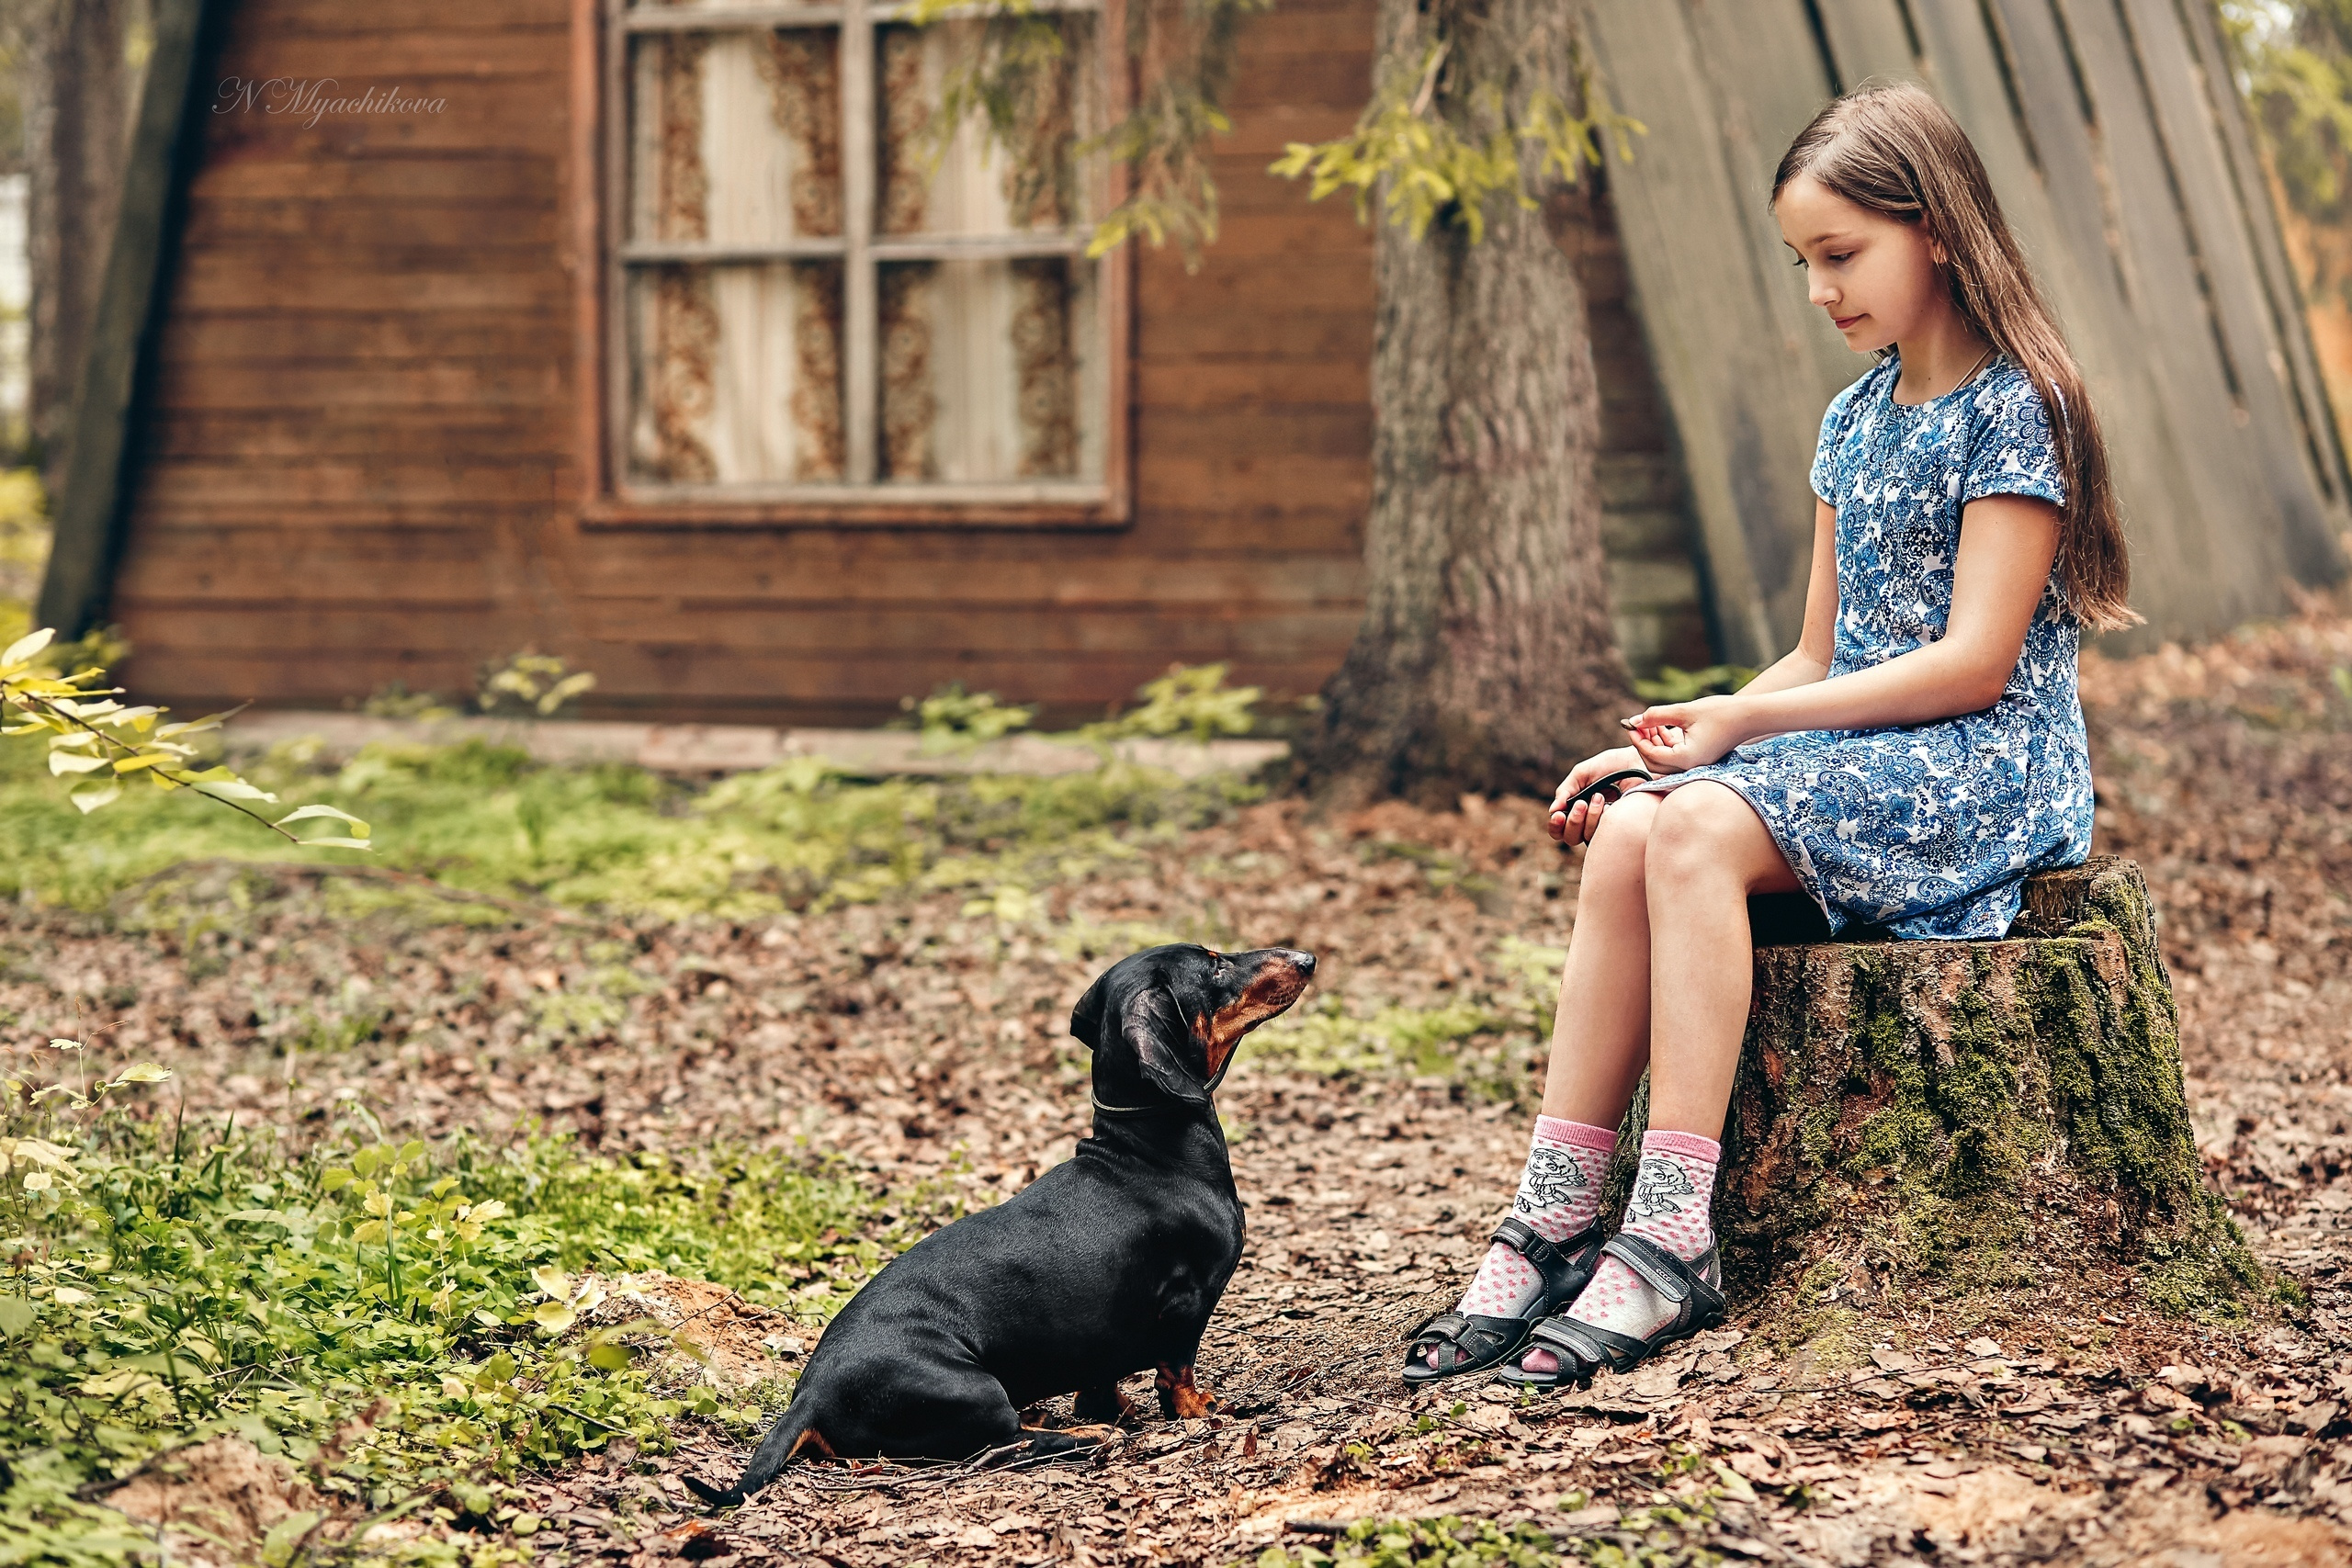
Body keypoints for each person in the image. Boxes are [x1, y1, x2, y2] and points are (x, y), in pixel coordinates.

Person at [1403, 79, 2137, 1387]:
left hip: (1987, 766)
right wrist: (1680, 739)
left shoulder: (2019, 407)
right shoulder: (1852, 424)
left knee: (1692, 839)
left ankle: (1671, 1236)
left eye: (1842, 255)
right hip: (1870, 750)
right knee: (1637, 826)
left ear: (1940, 232)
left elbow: (1971, 664)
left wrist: (1743, 734)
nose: (1820, 290)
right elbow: (1817, 654)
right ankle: (1559, 1213)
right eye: (1802, 262)